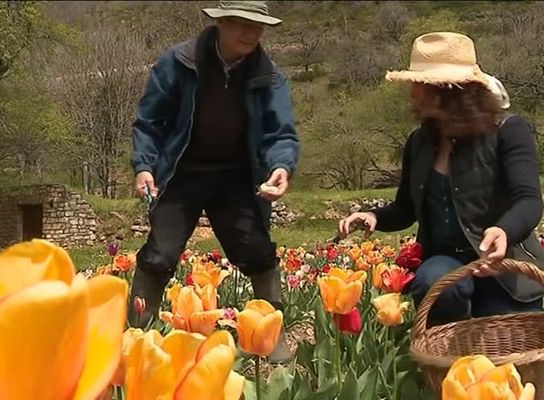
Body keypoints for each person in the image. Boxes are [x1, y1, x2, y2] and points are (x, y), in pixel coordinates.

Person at [130, 1, 299, 362]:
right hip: (181, 172)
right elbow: (149, 122)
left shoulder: (268, 75)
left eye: (258, 25)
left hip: (236, 176)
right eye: (241, 23)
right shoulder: (178, 63)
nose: (251, 33)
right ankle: (135, 334)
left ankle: (271, 338)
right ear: (220, 23)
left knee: (257, 251)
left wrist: (280, 167)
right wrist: (145, 166)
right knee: (159, 254)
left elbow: (279, 133)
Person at [339, 32, 544, 326]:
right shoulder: (419, 143)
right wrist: (373, 216)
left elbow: (528, 201)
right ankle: (449, 337)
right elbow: (406, 209)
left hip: (504, 264)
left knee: (505, 348)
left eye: (419, 84)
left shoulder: (508, 131)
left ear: (447, 89)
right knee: (436, 282)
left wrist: (504, 231)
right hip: (446, 261)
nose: (412, 93)